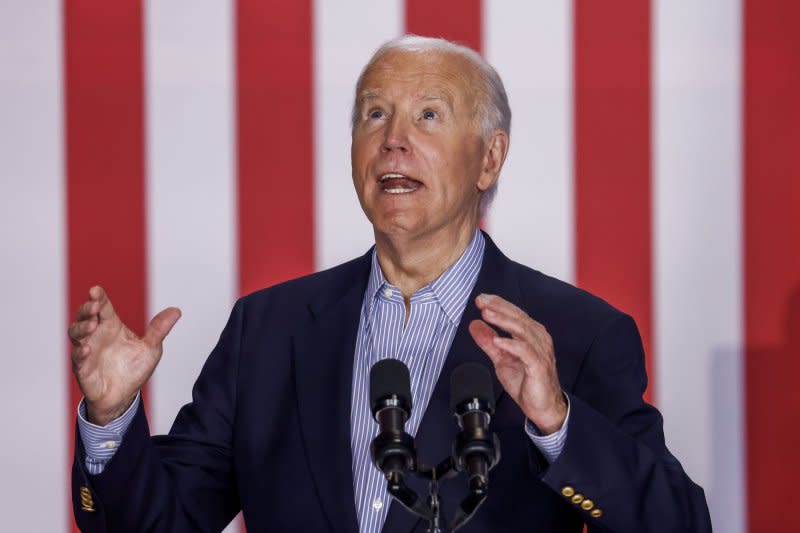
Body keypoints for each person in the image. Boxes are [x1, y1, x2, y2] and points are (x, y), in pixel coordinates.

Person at [68, 36, 711, 532]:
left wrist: (557, 424)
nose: (393, 141)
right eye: (375, 115)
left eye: (429, 115)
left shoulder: (576, 336)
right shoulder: (268, 330)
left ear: (490, 157)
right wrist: (111, 417)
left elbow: (680, 522)